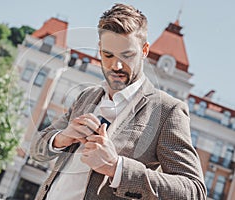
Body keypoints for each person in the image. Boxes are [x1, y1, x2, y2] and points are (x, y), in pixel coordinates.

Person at [30, 3, 207, 200]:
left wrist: (117, 168)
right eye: (108, 55)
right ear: (99, 50)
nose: (117, 65)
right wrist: (62, 138)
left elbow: (194, 191)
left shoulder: (167, 111)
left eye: (127, 55)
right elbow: (37, 149)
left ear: (144, 50)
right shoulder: (87, 96)